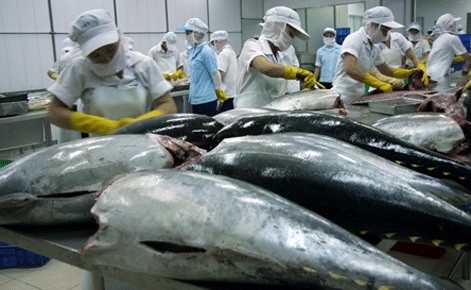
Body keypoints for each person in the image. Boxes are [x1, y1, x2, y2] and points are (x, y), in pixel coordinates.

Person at [47, 9, 177, 136]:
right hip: (101, 147)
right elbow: (54, 112)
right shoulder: (79, 69)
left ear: (119, 38)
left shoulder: (143, 64)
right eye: (95, 55)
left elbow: (168, 104)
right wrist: (104, 126)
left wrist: (140, 124)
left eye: (110, 49)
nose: (106, 58)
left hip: (146, 140)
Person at [331, 6, 425, 103]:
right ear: (372, 25)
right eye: (384, 30)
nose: (386, 35)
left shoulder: (373, 47)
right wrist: (379, 84)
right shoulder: (354, 39)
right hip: (341, 95)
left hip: (358, 95)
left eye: (388, 31)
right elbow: (350, 68)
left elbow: (385, 69)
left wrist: (408, 73)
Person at [235, 6, 323, 108]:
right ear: (276, 26)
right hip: (250, 111)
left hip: (274, 111)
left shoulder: (287, 51)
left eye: (293, 36)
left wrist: (309, 88)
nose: (290, 39)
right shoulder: (252, 45)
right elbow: (266, 68)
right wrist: (297, 73)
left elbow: (291, 85)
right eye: (290, 33)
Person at [178, 18, 228, 117]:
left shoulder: (206, 52)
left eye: (188, 33)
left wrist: (219, 90)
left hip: (207, 99)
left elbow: (214, 74)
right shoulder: (193, 50)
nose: (186, 36)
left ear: (197, 33)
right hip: (195, 98)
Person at [427, 13, 471, 81]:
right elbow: (466, 56)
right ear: (450, 25)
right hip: (439, 74)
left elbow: (442, 58)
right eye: (454, 24)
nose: (455, 26)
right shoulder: (452, 38)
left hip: (430, 72)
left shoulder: (439, 39)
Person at [209, 30, 238, 112]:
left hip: (226, 94)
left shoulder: (223, 54)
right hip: (233, 92)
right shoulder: (231, 52)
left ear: (219, 41)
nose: (214, 46)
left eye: (213, 43)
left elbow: (220, 74)